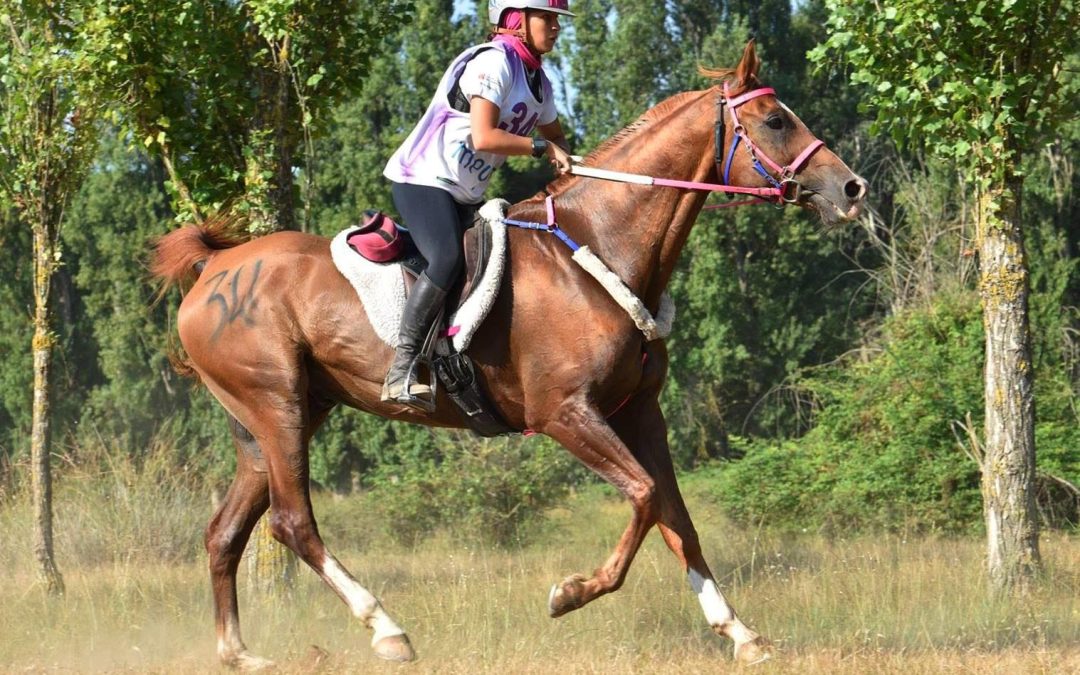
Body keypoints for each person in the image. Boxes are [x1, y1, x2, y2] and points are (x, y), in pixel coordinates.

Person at [381, 0, 575, 408]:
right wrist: (542, 147)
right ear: (515, 19)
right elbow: (484, 137)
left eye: (558, 20)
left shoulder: (540, 82)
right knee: (448, 258)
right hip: (424, 179)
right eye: (548, 18)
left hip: (465, 194)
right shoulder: (494, 62)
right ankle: (401, 369)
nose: (557, 28)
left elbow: (559, 142)